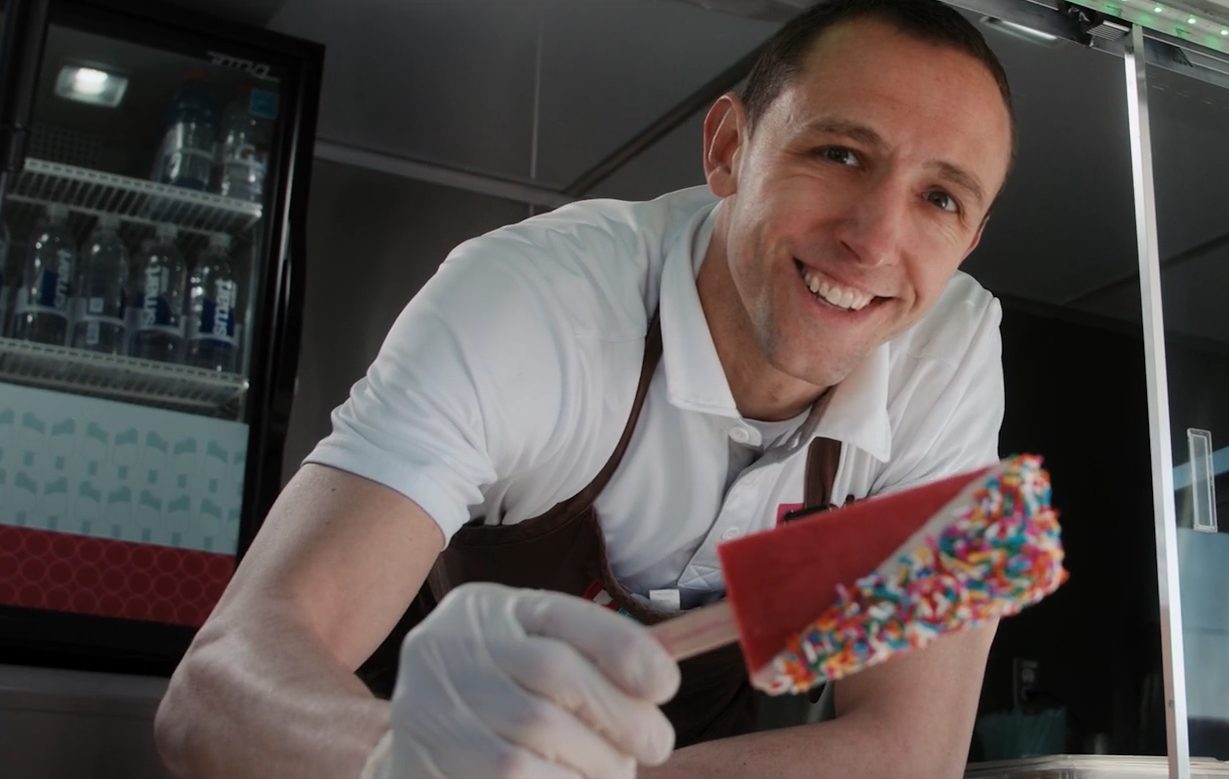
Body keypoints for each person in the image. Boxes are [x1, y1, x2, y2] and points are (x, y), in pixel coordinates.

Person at [153, 0, 1015, 776]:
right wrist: (396, 756)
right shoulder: (531, 302)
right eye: (840, 152)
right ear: (728, 149)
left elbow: (909, 747)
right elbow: (217, 685)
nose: (873, 241)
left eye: (940, 198)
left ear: (972, 236)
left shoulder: (947, 353)